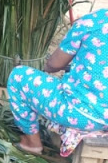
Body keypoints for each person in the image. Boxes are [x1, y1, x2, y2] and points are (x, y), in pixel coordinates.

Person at [7, 9, 108, 154]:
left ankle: (32, 143)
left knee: (19, 76)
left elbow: (55, 65)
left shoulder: (94, 21)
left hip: (83, 114)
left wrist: (47, 66)